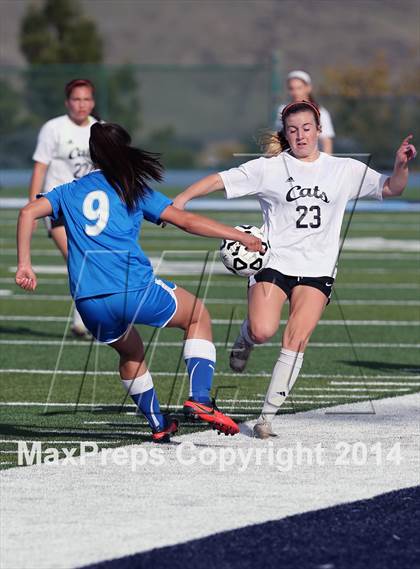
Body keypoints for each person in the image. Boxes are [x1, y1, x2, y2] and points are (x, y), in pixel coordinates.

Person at [173, 100, 416, 439]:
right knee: (262, 330)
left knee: (296, 339)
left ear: (318, 130)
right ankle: (245, 339)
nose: (300, 136)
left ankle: (265, 418)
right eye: (292, 130)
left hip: (317, 270)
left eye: (306, 128)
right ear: (284, 134)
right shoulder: (270, 167)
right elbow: (219, 180)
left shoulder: (343, 169)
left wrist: (401, 164)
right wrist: (182, 200)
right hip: (274, 264)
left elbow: (392, 188)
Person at [16, 122, 263, 443]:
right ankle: (200, 399)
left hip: (89, 302)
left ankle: (159, 423)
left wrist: (25, 264)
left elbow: (27, 213)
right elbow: (186, 221)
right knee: (197, 315)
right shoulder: (131, 187)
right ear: (124, 150)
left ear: (93, 154)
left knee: (130, 352)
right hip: (133, 288)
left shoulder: (67, 190)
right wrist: (238, 235)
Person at [28, 78, 98, 337]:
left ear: (93, 101)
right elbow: (40, 167)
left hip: (88, 206)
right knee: (76, 258)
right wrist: (34, 206)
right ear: (68, 102)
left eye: (87, 99)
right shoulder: (53, 128)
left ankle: (86, 316)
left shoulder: (99, 129)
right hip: (57, 204)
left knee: (91, 261)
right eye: (77, 99)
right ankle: (83, 319)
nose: (82, 105)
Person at [275, 70, 335, 154]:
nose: (295, 92)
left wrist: (327, 163)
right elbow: (278, 138)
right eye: (291, 88)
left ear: (308, 88)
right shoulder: (282, 109)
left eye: (299, 88)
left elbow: (326, 141)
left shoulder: (321, 112)